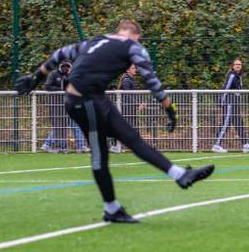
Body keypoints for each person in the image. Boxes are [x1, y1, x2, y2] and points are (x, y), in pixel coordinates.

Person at [15, 19, 215, 224]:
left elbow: (60, 53)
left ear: (119, 31)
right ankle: (114, 207)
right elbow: (151, 79)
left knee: (130, 138)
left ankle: (176, 176)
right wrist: (170, 109)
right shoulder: (133, 46)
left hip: (88, 98)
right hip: (85, 100)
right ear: (136, 35)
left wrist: (35, 78)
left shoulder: (96, 41)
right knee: (101, 152)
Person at [212, 57, 249, 153]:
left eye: (240, 64)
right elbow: (226, 88)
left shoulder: (238, 76)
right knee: (226, 123)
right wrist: (221, 101)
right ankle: (216, 145)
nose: (238, 66)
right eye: (236, 64)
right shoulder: (232, 75)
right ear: (232, 66)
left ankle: (245, 145)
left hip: (235, 103)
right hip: (229, 102)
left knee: (239, 123)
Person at [111, 63, 145, 154]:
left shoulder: (130, 80)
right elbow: (128, 95)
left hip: (129, 107)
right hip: (126, 108)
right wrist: (138, 104)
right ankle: (115, 145)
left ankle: (123, 145)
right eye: (133, 68)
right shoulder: (126, 80)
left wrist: (140, 103)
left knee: (129, 127)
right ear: (127, 70)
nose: (135, 70)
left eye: (135, 68)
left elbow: (133, 94)